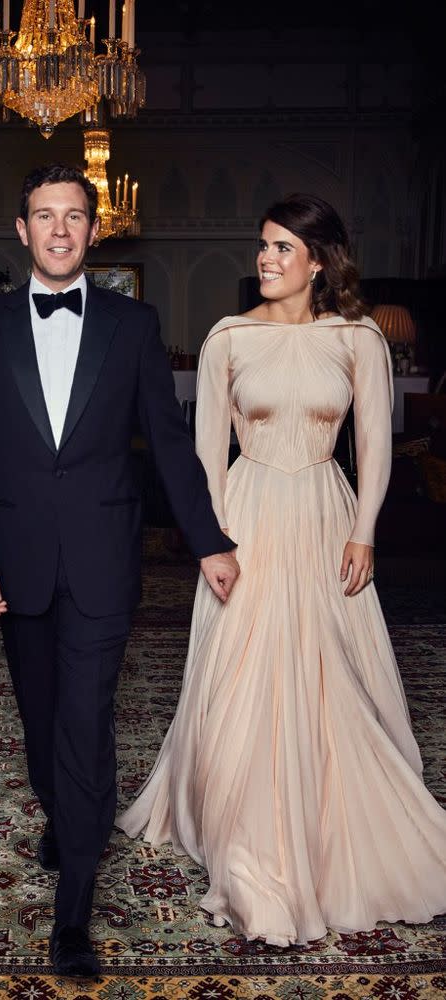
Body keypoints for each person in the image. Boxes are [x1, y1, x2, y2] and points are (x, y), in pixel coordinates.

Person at [117, 192, 446, 946]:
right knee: (244, 674)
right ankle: (246, 837)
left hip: (329, 518)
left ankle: (334, 821)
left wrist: (364, 532)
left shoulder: (357, 338)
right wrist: (211, 540)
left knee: (334, 671)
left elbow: (376, 446)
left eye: (282, 248)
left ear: (320, 261)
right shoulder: (226, 337)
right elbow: (204, 454)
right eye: (262, 245)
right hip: (249, 517)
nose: (265, 258)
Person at [0, 163, 240, 977]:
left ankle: (73, 909)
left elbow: (168, 446)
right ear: (22, 228)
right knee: (41, 722)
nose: (61, 230)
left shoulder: (133, 325)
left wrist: (209, 538)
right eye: (45, 216)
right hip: (16, 561)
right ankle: (63, 810)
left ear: (95, 228)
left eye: (75, 216)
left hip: (106, 560)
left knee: (84, 720)